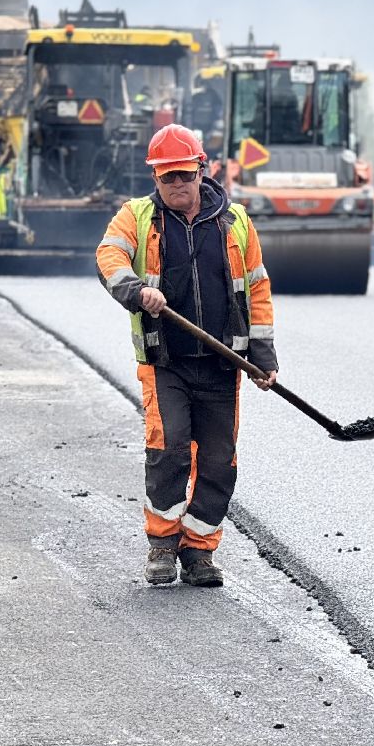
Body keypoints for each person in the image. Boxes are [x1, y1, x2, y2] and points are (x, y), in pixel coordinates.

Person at [96, 124, 278, 588]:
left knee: (219, 461)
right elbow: (109, 257)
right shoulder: (137, 216)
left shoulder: (235, 222)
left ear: (202, 170)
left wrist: (263, 356)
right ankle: (162, 545)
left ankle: (199, 550)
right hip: (166, 362)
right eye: (167, 177)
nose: (176, 184)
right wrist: (136, 290)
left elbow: (257, 288)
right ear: (155, 178)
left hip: (222, 363)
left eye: (184, 174)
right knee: (169, 450)